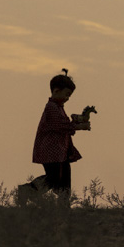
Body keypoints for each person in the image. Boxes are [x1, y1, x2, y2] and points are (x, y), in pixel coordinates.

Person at [30, 70, 91, 200]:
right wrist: (80, 126)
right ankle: (27, 191)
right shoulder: (51, 107)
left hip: (60, 152)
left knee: (63, 183)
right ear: (56, 91)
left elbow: (64, 125)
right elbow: (62, 126)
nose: (67, 98)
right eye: (67, 94)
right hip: (51, 152)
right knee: (53, 179)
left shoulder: (58, 107)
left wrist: (77, 121)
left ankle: (63, 207)